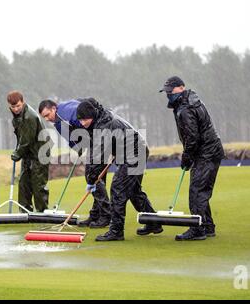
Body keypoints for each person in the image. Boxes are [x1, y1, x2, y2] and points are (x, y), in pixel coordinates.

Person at [76, 99, 156, 241]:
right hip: (134, 150)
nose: (83, 123)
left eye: (85, 119)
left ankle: (116, 231)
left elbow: (99, 157)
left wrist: (92, 179)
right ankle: (153, 222)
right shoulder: (100, 120)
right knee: (133, 191)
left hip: (134, 153)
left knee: (118, 188)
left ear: (93, 115)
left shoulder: (104, 125)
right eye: (80, 120)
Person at [159, 76, 224, 241]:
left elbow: (192, 137)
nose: (168, 95)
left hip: (206, 152)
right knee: (201, 189)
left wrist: (187, 156)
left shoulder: (186, 107)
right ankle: (207, 226)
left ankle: (198, 229)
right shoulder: (188, 101)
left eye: (170, 91)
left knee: (197, 191)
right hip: (207, 150)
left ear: (181, 88)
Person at [38, 98, 111, 228]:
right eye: (44, 117)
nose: (47, 119)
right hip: (96, 141)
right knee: (96, 179)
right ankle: (96, 215)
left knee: (92, 176)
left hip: (100, 140)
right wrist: (78, 147)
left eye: (47, 115)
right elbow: (72, 134)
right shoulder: (59, 118)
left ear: (54, 108)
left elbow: (87, 121)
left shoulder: (67, 112)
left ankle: (105, 215)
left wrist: (86, 143)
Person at [8, 90, 50, 213]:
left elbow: (27, 140)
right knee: (23, 183)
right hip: (29, 153)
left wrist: (17, 153)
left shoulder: (29, 117)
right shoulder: (18, 116)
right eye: (13, 107)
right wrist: (19, 150)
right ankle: (24, 210)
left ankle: (42, 211)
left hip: (40, 153)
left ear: (23, 102)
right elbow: (21, 137)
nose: (16, 109)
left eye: (18, 106)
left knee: (38, 184)